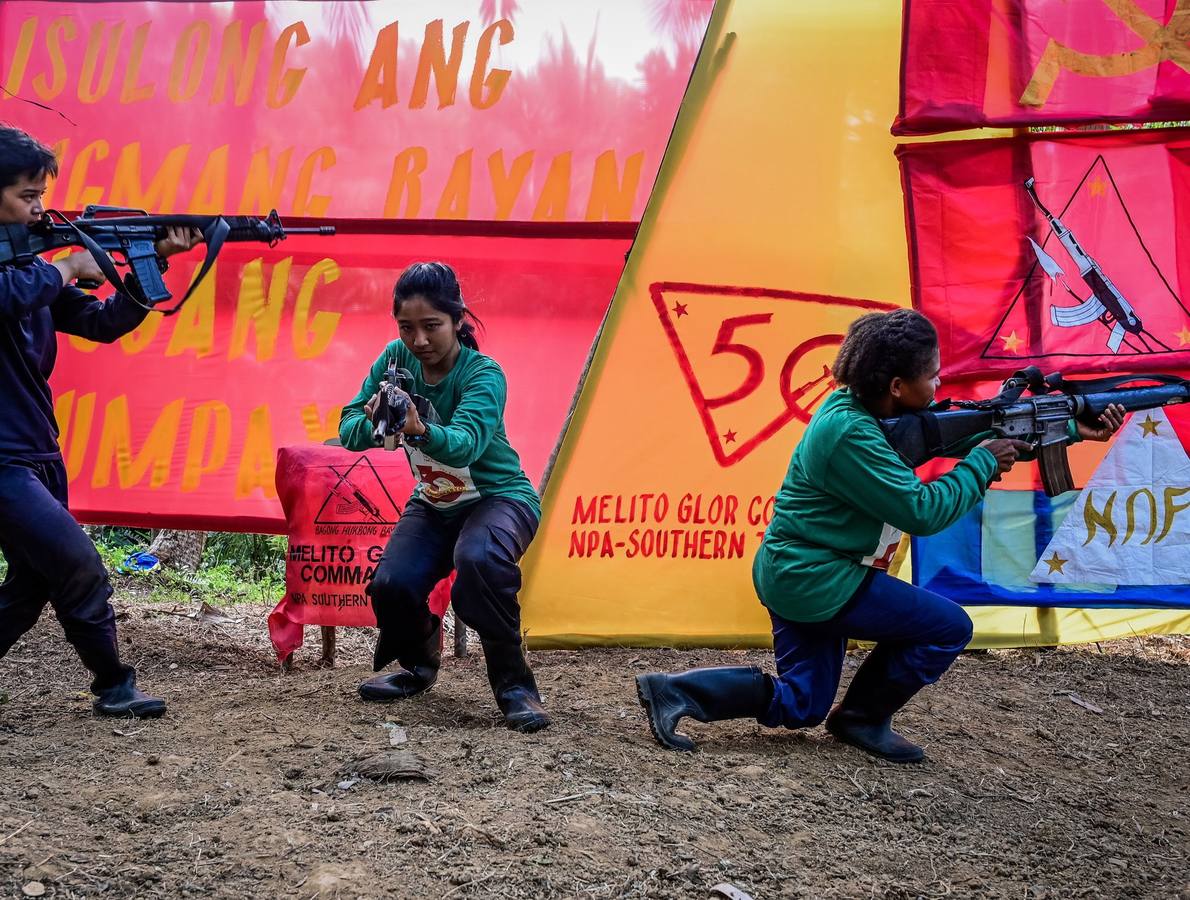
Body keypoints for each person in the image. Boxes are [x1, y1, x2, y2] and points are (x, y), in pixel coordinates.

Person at [636, 309, 1124, 762]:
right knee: (948, 626)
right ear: (896, 385)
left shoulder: (859, 409)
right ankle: (862, 719)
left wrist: (1071, 430)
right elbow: (922, 511)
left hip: (801, 573)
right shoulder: (853, 435)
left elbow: (948, 433)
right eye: (931, 376)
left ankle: (677, 691)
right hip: (816, 578)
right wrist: (981, 462)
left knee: (803, 705)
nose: (938, 383)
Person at [0, 126, 200, 718]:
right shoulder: (33, 272)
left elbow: (101, 323)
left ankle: (114, 684)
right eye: (27, 196)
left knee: (35, 582)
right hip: (5, 459)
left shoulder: (30, 265)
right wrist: (66, 266)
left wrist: (151, 262)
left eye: (41, 195)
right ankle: (114, 684)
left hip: (37, 450)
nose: (40, 208)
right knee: (78, 563)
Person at [339, 261, 549, 733]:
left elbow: (465, 442)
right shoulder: (394, 359)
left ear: (458, 320)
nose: (418, 341)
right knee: (393, 584)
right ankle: (419, 664)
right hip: (436, 502)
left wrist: (417, 427)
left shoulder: (484, 374)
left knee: (478, 562)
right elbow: (348, 426)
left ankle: (516, 688)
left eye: (431, 326)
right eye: (407, 327)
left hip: (501, 499)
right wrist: (376, 423)